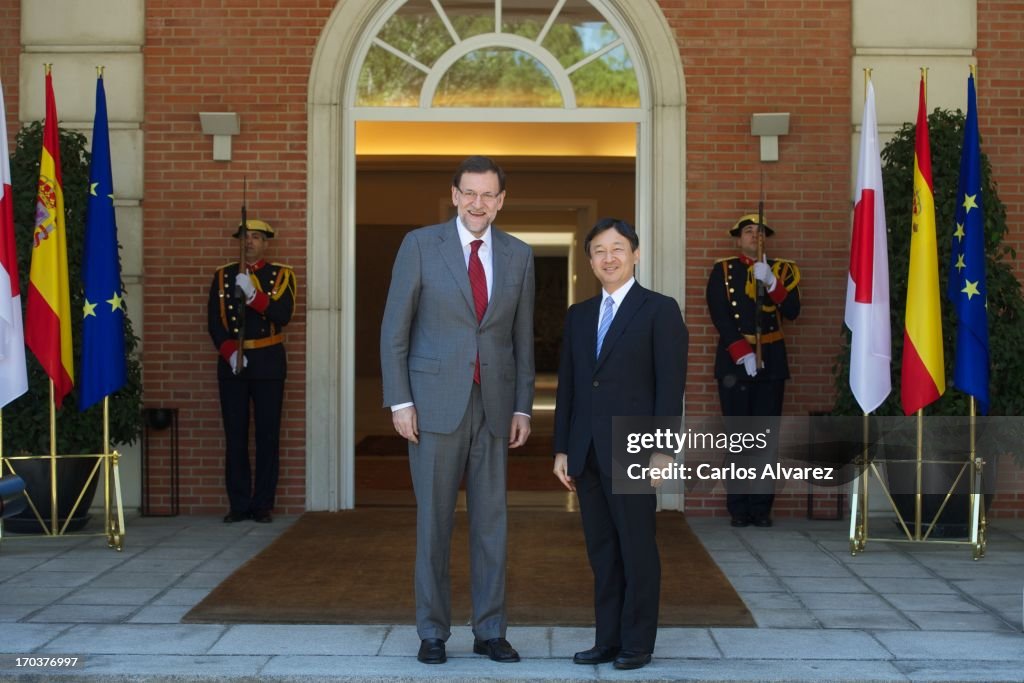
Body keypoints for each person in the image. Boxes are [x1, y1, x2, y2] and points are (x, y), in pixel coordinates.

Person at [380, 156, 535, 666]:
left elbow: (521, 340)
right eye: (470, 193)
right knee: (434, 523)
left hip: (493, 406)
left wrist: (523, 407)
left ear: (501, 201)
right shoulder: (421, 246)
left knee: (492, 522)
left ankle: (490, 630)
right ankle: (432, 632)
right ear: (454, 195)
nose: (478, 203)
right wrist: (400, 400)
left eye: (488, 195)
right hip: (432, 407)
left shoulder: (518, 255)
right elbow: (394, 331)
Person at [552, 218, 688, 671]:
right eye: (598, 251)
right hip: (587, 451)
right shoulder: (579, 315)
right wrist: (562, 449)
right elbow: (570, 387)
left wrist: (664, 449)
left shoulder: (659, 310)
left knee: (636, 548)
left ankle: (637, 643)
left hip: (635, 451)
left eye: (617, 248)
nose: (608, 258)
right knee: (602, 552)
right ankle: (606, 639)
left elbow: (671, 385)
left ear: (635, 254)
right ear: (589, 260)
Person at [705, 213, 801, 528]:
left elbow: (793, 311)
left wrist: (771, 283)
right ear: (738, 239)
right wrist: (740, 350)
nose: (754, 236)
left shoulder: (782, 271)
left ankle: (761, 508)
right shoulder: (722, 270)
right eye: (748, 231)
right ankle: (738, 508)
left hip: (771, 361)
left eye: (760, 231)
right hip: (735, 363)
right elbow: (719, 313)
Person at [207, 219, 296, 524]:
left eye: (256, 237)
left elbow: (283, 315)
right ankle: (239, 504)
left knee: (267, 437)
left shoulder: (281, 275)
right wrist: (230, 353)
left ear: (265, 242)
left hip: (268, 362)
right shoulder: (223, 276)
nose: (249, 242)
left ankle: (262, 505)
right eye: (245, 237)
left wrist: (254, 296)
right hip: (234, 365)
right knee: (235, 436)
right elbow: (214, 323)